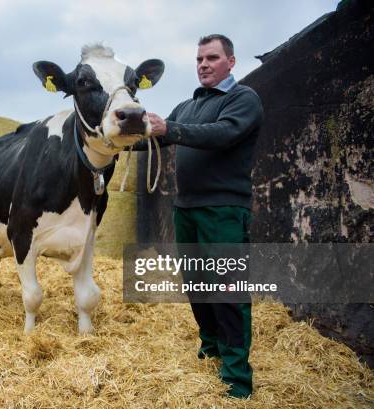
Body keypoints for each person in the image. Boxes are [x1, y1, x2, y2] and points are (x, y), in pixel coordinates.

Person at [132, 34, 263, 398]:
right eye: (199, 59)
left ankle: (237, 378)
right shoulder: (187, 106)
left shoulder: (243, 99)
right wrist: (116, 138)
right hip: (186, 209)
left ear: (230, 62)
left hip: (223, 210)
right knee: (196, 287)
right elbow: (154, 139)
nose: (203, 64)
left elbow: (223, 134)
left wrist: (169, 128)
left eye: (212, 58)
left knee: (227, 292)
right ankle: (211, 350)